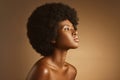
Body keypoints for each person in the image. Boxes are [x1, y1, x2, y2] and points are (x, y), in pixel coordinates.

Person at [26, 2, 79, 80]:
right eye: (66, 29)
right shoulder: (43, 70)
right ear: (52, 37)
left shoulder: (71, 71)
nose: (75, 32)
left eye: (73, 28)